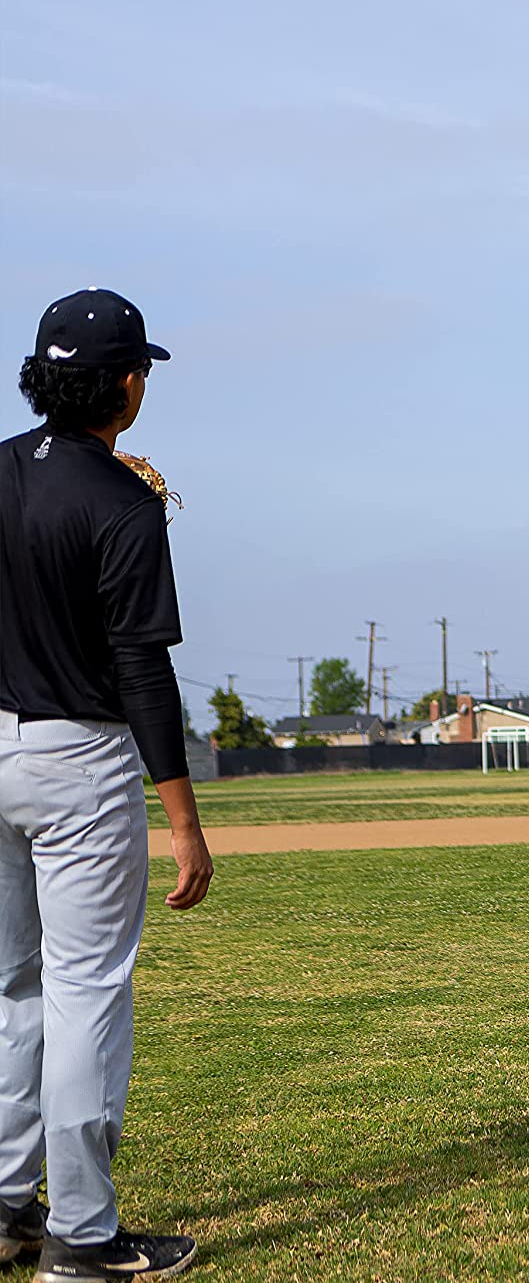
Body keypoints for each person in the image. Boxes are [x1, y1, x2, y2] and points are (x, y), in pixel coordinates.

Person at [0, 289, 213, 1283]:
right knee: (85, 992)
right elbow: (142, 670)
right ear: (122, 384)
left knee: (11, 990)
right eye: (142, 369)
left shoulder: (5, 469)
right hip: (75, 760)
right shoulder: (125, 504)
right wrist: (185, 825)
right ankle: (81, 1241)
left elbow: (42, 493)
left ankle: (3, 1210)